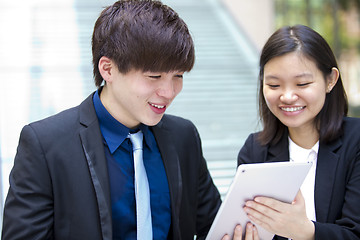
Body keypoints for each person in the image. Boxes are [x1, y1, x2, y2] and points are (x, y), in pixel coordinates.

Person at [1, 1, 225, 239]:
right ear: (108, 69)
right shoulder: (45, 145)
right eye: (154, 76)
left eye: (178, 76)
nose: (169, 92)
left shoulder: (184, 136)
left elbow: (213, 226)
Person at [237, 24, 360, 240]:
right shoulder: (255, 150)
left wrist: (304, 230)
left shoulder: (356, 141)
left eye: (302, 83)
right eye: (274, 85)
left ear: (330, 80)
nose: (287, 96)